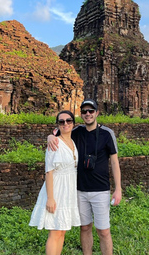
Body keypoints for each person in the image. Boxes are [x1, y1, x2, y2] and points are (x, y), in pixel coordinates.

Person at [48, 99, 122, 255]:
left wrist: (118, 189)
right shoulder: (76, 132)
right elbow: (59, 130)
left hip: (100, 189)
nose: (88, 114)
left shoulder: (107, 134)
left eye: (91, 111)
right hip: (80, 189)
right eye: (84, 111)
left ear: (97, 113)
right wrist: (50, 136)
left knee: (103, 230)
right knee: (85, 227)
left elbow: (114, 162)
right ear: (81, 114)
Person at [29, 110, 81, 255]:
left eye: (69, 121)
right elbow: (49, 171)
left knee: (62, 230)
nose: (65, 124)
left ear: (73, 123)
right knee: (55, 232)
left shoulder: (72, 141)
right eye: (61, 121)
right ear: (58, 125)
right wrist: (50, 198)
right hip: (57, 190)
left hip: (69, 189)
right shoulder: (54, 143)